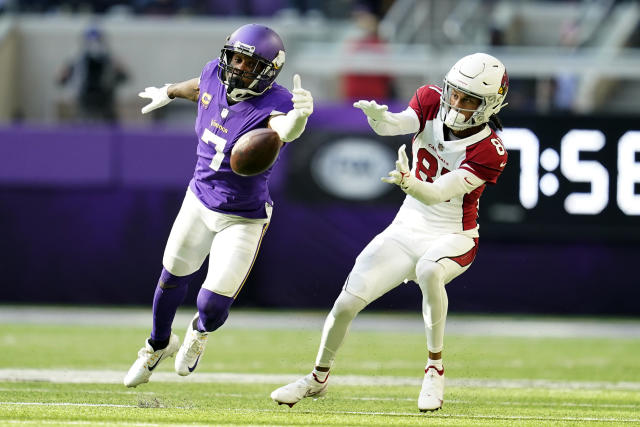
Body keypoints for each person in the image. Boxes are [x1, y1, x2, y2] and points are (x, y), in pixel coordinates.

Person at [270, 52, 509, 412]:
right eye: (454, 93)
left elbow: (438, 192)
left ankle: (434, 368)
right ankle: (317, 378)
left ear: (490, 105)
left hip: (454, 234)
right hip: (407, 226)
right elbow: (395, 124)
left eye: (468, 99)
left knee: (430, 269)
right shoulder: (430, 99)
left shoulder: (490, 149)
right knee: (346, 302)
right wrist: (379, 119)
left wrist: (410, 183)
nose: (456, 104)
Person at [123, 23, 314, 388]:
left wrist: (299, 118)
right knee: (170, 280)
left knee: (212, 304)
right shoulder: (215, 71)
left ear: (269, 70)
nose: (238, 67)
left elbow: (283, 129)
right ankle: (156, 346)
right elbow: (200, 85)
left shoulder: (278, 104)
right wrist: (168, 91)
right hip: (198, 199)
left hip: (242, 217)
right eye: (236, 58)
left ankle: (198, 332)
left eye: (249, 62)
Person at [57, 26, 129, 123]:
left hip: (105, 98)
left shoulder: (109, 58)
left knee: (110, 123)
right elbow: (62, 80)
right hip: (85, 98)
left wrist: (117, 68)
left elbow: (124, 77)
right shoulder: (77, 59)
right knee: (83, 122)